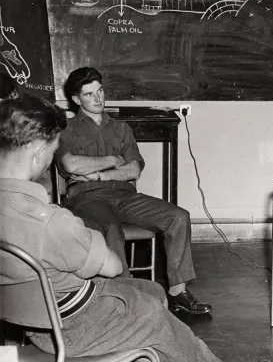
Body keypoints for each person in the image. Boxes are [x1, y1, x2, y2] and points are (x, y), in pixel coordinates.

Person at [0, 94, 221, 361]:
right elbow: (114, 267)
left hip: (30, 317)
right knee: (159, 320)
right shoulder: (52, 221)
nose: (50, 161)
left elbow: (133, 167)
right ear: (38, 154)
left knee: (154, 291)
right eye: (51, 152)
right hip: (72, 326)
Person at [54, 67, 210, 314]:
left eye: (100, 91)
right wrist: (115, 159)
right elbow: (70, 164)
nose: (98, 99)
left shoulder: (121, 129)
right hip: (87, 197)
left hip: (125, 196)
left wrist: (97, 173)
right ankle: (126, 302)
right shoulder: (66, 129)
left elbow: (134, 169)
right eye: (89, 94)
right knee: (111, 229)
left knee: (178, 217)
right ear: (76, 99)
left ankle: (177, 294)